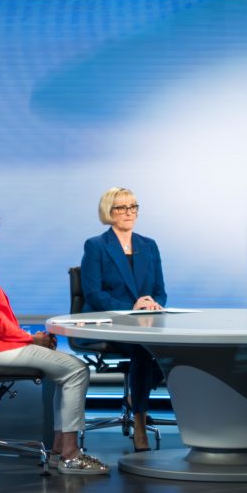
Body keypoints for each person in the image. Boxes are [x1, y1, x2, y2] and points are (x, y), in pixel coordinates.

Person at [0, 201, 106, 476]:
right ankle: (69, 454)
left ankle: (59, 452)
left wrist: (29, 339)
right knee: (76, 370)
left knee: (64, 370)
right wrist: (30, 340)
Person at [79, 187, 167, 450]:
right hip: (107, 322)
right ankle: (140, 423)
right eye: (121, 207)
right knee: (142, 348)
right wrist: (132, 306)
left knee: (173, 347)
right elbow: (93, 294)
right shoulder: (96, 246)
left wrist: (153, 305)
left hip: (143, 323)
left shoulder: (148, 246)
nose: (129, 212)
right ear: (109, 212)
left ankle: (134, 398)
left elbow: (160, 290)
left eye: (133, 207)